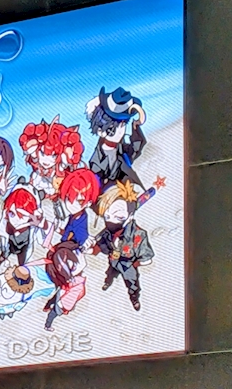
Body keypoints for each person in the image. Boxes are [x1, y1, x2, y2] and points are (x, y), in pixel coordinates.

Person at [87, 180, 154, 311]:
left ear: (129, 216)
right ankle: (108, 282)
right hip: (113, 260)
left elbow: (146, 258)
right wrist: (89, 250)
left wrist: (133, 265)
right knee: (110, 272)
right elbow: (101, 246)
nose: (110, 220)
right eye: (107, 216)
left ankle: (134, 297)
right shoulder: (108, 232)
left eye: (117, 216)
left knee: (132, 282)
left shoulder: (138, 235)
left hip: (128, 264)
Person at [86, 87, 147, 190]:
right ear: (100, 130)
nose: (120, 131)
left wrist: (135, 127)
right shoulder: (96, 162)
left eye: (123, 125)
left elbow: (136, 148)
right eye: (113, 127)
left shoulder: (122, 150)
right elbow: (97, 188)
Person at [42, 241, 87, 331]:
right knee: (55, 310)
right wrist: (65, 306)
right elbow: (70, 297)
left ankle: (47, 306)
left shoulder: (75, 275)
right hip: (65, 293)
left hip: (65, 287)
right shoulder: (73, 277)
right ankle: (47, 325)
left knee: (56, 298)